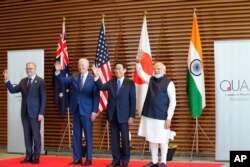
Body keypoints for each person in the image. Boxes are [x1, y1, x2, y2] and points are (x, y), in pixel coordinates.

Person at [54, 58, 99, 166]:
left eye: (83, 65)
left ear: (88, 66)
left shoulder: (93, 79)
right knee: (76, 136)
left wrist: (94, 111)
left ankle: (89, 159)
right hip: (76, 110)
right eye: (79, 65)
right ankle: (77, 158)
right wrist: (57, 72)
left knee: (88, 136)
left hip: (87, 112)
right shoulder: (74, 77)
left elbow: (96, 97)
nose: (81, 67)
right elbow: (63, 81)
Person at [136, 53, 176, 167]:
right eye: (155, 69)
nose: (156, 70)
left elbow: (173, 102)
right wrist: (138, 62)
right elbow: (141, 73)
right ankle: (154, 161)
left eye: (159, 69)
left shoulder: (169, 83)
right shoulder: (151, 79)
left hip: (162, 116)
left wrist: (169, 118)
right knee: (152, 139)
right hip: (149, 115)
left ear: (164, 70)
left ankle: (163, 161)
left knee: (163, 140)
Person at [92, 62, 136, 167]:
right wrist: (97, 76)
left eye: (120, 69)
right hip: (112, 116)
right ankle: (116, 160)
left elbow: (133, 101)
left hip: (124, 116)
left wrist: (131, 116)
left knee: (125, 140)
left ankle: (125, 161)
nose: (117, 71)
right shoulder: (111, 82)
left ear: (125, 70)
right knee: (114, 140)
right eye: (116, 69)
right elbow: (101, 87)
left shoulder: (130, 83)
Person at [3, 62, 46, 164]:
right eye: (27, 69)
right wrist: (7, 79)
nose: (28, 70)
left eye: (31, 68)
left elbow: (43, 98)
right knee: (27, 136)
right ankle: (28, 156)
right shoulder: (23, 81)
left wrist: (41, 113)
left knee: (36, 136)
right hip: (24, 113)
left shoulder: (40, 81)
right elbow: (13, 90)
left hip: (35, 114)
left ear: (35, 69)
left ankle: (36, 157)